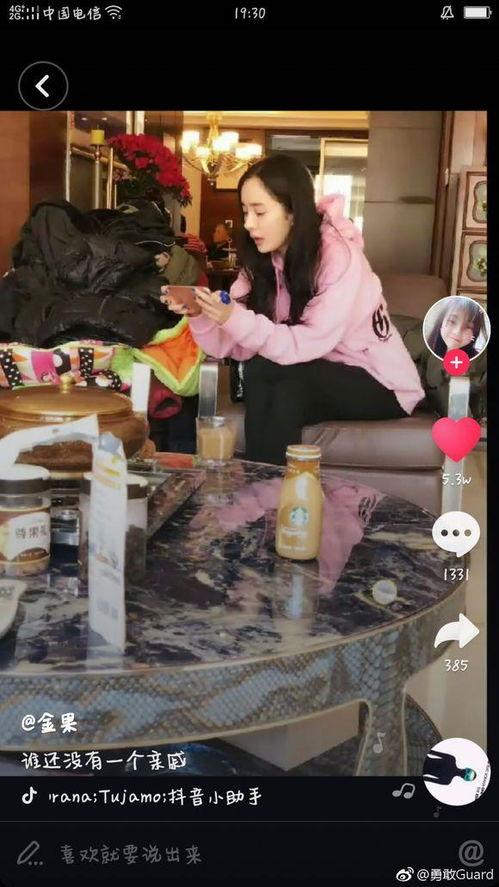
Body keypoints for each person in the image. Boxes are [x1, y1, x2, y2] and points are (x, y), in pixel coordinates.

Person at [161, 154, 425, 465]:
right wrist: (202, 314)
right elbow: (232, 346)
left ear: (293, 213)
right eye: (245, 211)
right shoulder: (260, 262)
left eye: (260, 212)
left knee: (287, 382)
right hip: (314, 369)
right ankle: (263, 482)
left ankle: (269, 486)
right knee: (262, 369)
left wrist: (235, 318)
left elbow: (310, 342)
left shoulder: (339, 257)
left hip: (380, 381)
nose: (249, 223)